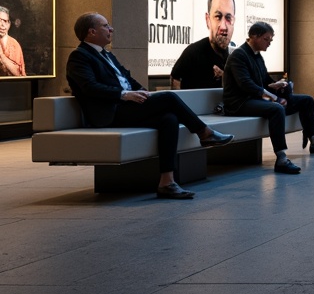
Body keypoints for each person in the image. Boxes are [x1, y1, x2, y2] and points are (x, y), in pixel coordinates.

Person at [65, 12, 234, 199]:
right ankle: (204, 133)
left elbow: (127, 78)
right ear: (91, 32)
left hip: (125, 107)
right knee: (169, 98)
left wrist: (143, 91)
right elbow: (90, 87)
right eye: (106, 26)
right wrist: (124, 95)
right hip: (109, 112)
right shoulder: (79, 57)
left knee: (169, 119)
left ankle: (167, 182)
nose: (110, 29)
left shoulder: (106, 55)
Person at [224, 21, 314, 174]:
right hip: (239, 103)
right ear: (254, 36)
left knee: (306, 100)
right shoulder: (239, 55)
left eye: (270, 40)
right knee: (276, 109)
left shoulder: (257, 56)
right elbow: (246, 85)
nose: (269, 43)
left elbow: (264, 81)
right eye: (267, 39)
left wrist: (276, 85)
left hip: (254, 99)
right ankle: (281, 158)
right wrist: (274, 98)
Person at [170, 0, 235, 89]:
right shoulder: (193, 52)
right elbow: (175, 77)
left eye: (228, 18)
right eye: (218, 17)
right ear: (207, 20)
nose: (223, 26)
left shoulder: (234, 57)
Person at [0, 6, 25, 76]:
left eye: (5, 21)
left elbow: (17, 74)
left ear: (9, 24)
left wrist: (1, 55)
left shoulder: (14, 44)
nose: (2, 25)